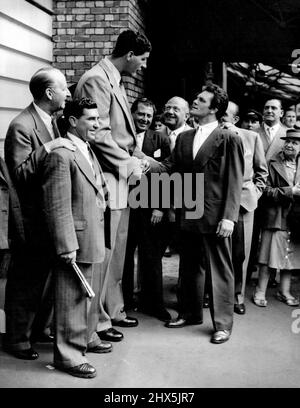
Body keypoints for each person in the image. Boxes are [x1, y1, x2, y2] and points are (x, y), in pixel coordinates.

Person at [74, 30, 155, 343]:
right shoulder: (97, 79)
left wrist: (139, 158)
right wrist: (129, 166)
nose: (144, 66)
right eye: (143, 60)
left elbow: (122, 135)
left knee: (116, 251)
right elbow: (98, 134)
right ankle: (95, 323)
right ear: (130, 54)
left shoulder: (114, 79)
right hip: (106, 177)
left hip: (119, 177)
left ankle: (112, 311)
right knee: (103, 253)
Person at [163, 84, 244, 344]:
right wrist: (143, 163)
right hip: (190, 211)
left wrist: (229, 217)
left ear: (215, 108)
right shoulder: (185, 138)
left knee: (220, 269)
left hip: (216, 216)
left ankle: (222, 324)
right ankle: (189, 312)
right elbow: (172, 170)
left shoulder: (229, 137)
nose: (194, 102)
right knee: (189, 266)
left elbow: (235, 179)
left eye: (200, 99)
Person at [4, 67, 74, 360]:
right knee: (25, 281)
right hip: (31, 222)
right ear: (49, 93)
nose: (69, 93)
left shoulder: (51, 121)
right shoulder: (21, 125)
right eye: (64, 89)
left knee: (42, 280)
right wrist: (51, 146)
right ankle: (17, 339)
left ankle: (35, 331)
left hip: (48, 218)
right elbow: (20, 174)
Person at [41, 97, 111, 379]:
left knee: (88, 296)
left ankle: (87, 336)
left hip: (92, 234)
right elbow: (56, 204)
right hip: (75, 240)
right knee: (71, 298)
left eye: (97, 118)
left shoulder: (85, 148)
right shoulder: (61, 154)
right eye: (91, 119)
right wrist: (66, 244)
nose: (97, 123)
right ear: (72, 121)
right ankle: (68, 356)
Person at [122, 97, 171, 321]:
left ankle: (153, 304)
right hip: (125, 205)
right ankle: (124, 301)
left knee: (151, 256)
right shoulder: (121, 136)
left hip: (150, 207)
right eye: (141, 114)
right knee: (124, 255)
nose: (145, 119)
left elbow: (167, 174)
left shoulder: (160, 138)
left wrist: (160, 207)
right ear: (132, 114)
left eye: (149, 116)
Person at [221, 101, 268, 315]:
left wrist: (254, 194)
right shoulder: (210, 136)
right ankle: (214, 295)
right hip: (216, 203)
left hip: (243, 204)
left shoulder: (251, 137)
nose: (220, 118)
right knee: (216, 252)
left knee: (240, 253)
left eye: (225, 115)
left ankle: (237, 296)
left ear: (235, 119)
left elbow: (262, 172)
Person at [253, 128, 300, 308]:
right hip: (275, 216)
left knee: (290, 256)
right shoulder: (272, 163)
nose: (289, 145)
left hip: (296, 219)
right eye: (287, 141)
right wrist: (290, 191)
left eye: (295, 143)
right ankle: (260, 291)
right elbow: (264, 191)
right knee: (267, 256)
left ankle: (284, 291)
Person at [247, 99, 287, 285]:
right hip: (254, 191)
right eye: (267, 107)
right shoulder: (251, 133)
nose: (269, 110)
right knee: (250, 238)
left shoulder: (288, 135)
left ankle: (269, 276)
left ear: (281, 112)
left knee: (272, 237)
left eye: (274, 108)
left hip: (278, 194)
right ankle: (245, 275)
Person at [161, 96, 192, 257]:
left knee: (188, 252)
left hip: (188, 204)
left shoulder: (195, 137)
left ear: (186, 116)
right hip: (158, 203)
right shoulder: (155, 135)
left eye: (175, 109)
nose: (170, 112)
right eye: (167, 108)